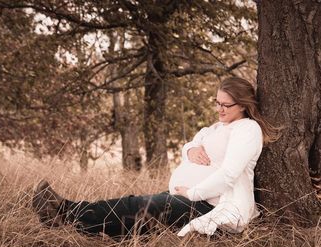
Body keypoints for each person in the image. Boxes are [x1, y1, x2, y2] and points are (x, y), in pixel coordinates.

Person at [32, 77, 280, 237]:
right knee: (138, 208)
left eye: (226, 105)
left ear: (244, 105)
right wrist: (189, 150)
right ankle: (72, 217)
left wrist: (192, 193)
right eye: (217, 103)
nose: (219, 109)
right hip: (190, 198)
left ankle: (66, 213)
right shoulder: (218, 127)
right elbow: (195, 141)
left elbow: (228, 175)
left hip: (212, 206)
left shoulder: (247, 129)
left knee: (139, 208)